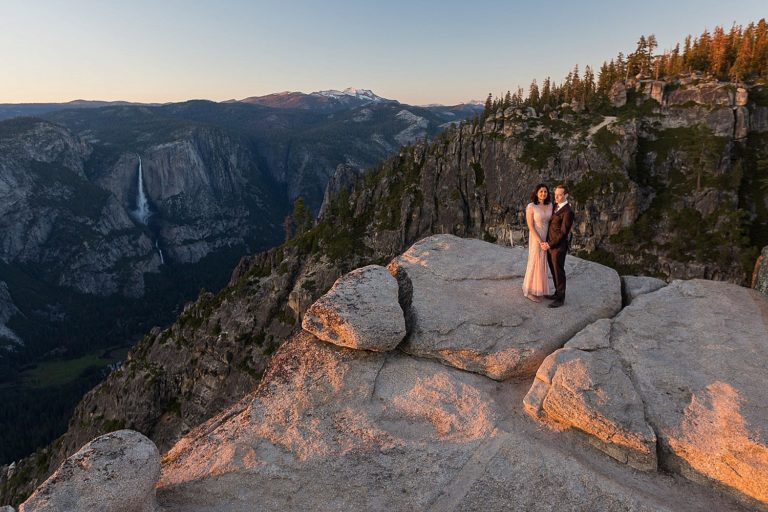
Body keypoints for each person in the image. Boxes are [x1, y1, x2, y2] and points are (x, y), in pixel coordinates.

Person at [541, 185, 574, 308]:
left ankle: (561, 299)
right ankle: (557, 293)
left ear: (566, 195)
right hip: (550, 246)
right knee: (553, 270)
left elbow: (563, 233)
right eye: (555, 194)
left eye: (560, 194)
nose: (556, 196)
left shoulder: (568, 212)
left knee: (559, 271)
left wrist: (549, 244)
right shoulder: (555, 206)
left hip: (558, 247)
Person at [522, 184, 553, 302]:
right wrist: (540, 241)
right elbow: (530, 226)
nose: (543, 193)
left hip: (546, 237)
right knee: (534, 260)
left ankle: (538, 288)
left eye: (545, 191)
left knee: (542, 261)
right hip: (536, 237)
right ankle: (528, 290)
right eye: (541, 191)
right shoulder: (531, 207)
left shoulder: (550, 205)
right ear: (536, 193)